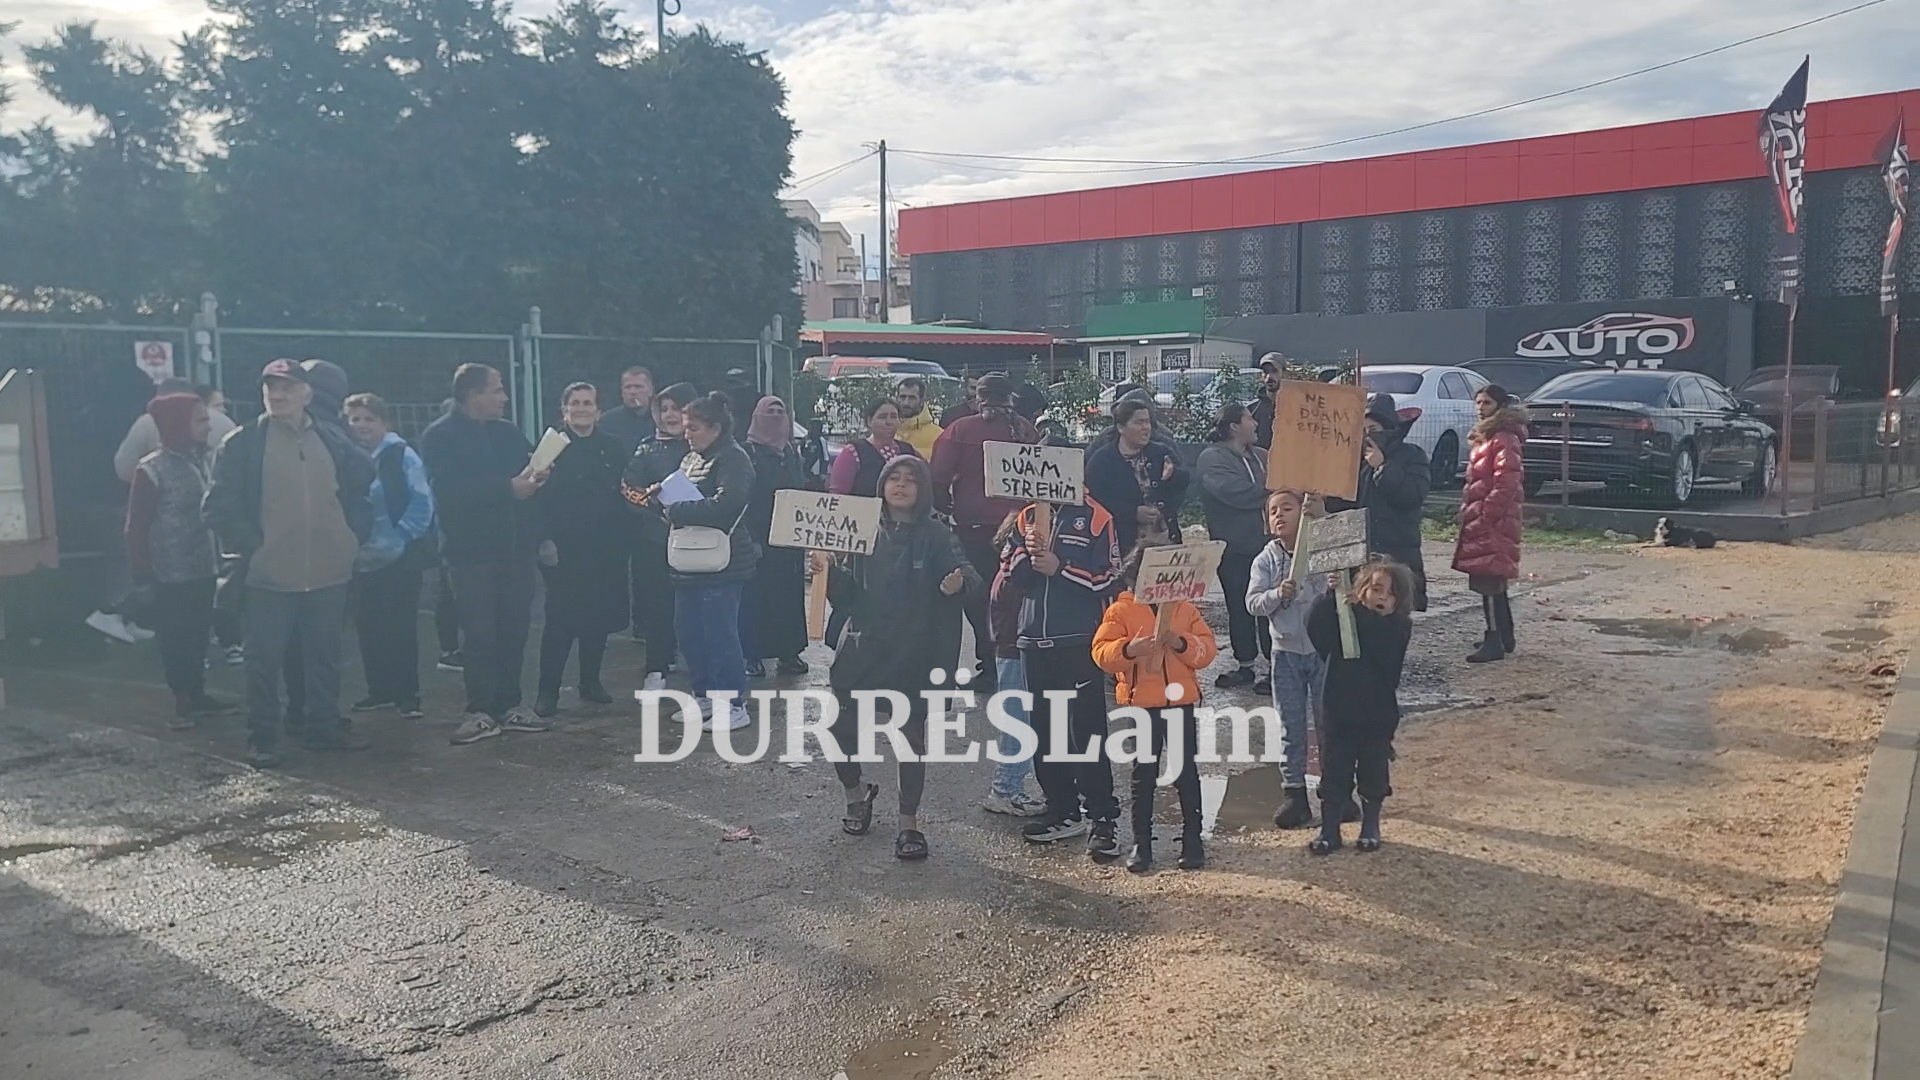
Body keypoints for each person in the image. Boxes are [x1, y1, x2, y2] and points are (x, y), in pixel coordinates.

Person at [204, 359, 374, 767]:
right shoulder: (242, 443)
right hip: (268, 577)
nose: (277, 395)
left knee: (326, 657)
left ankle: (324, 729)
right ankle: (262, 739)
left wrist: (350, 540)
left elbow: (361, 485)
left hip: (329, 572)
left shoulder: (332, 437)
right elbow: (218, 507)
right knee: (262, 661)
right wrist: (254, 548)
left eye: (287, 387)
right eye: (271, 388)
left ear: (307, 393)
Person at [826, 455, 978, 860]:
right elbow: (842, 596)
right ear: (881, 484)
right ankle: (856, 794)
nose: (901, 484)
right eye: (894, 477)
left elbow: (971, 578)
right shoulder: (859, 529)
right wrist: (826, 571)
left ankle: (908, 823)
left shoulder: (936, 533)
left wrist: (956, 584)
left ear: (923, 489)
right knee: (840, 729)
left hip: (915, 652)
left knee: (910, 740)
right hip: (863, 647)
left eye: (911, 479)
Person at [418, 363, 552, 745]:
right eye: (497, 390)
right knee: (478, 634)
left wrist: (538, 475)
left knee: (514, 630)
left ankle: (510, 705)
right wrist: (508, 488)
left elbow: (526, 476)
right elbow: (449, 493)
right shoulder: (439, 437)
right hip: (470, 554)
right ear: (473, 395)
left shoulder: (507, 432)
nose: (504, 397)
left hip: (515, 551)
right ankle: (480, 710)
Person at [1001, 495, 1122, 854]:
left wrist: (1061, 566)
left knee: (1086, 732)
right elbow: (1013, 574)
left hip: (1079, 640)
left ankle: (1103, 819)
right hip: (1034, 642)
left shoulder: (1098, 516)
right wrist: (1028, 549)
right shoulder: (1025, 516)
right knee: (1046, 731)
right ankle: (1063, 809)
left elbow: (1109, 578)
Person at [1093, 537, 1219, 872]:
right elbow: (1102, 653)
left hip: (1181, 703)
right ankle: (1141, 843)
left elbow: (1207, 650)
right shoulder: (1120, 610)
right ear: (1136, 576)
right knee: (1142, 775)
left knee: (1185, 771)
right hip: (1142, 706)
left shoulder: (1185, 609)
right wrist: (1130, 650)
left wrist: (1180, 643)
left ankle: (1193, 839)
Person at [126, 392, 232, 729]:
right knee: (176, 634)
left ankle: (198, 691)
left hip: (203, 565)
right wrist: (141, 574)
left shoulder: (206, 460)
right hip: (169, 571)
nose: (208, 425)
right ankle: (183, 693)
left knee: (199, 631)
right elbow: (136, 526)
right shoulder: (152, 469)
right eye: (200, 419)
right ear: (178, 424)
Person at [930, 373, 1040, 685]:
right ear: (1010, 398)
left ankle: (990, 667)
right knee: (1017, 593)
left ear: (979, 398)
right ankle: (1018, 661)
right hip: (1022, 526)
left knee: (981, 598)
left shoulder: (960, 429)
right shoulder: (1025, 430)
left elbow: (937, 474)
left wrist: (946, 505)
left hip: (974, 527)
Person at [660, 392, 759, 732]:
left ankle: (732, 702)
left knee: (720, 633)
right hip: (688, 559)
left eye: (694, 428)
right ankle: (703, 695)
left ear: (715, 427)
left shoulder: (734, 458)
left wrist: (676, 510)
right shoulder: (690, 459)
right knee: (689, 631)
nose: (687, 434)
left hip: (724, 561)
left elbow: (727, 505)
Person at [532, 383, 629, 716]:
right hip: (562, 549)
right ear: (564, 410)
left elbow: (624, 493)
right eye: (575, 403)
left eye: (589, 402)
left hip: (604, 549)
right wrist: (544, 540)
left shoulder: (613, 448)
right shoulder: (549, 447)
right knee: (559, 621)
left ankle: (591, 682)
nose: (583, 408)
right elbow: (535, 498)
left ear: (599, 410)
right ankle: (548, 692)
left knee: (596, 620)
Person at [1306, 558, 1415, 855]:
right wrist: (1331, 598)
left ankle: (1371, 824)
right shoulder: (1344, 619)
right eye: (1376, 589)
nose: (1381, 597)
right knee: (1334, 771)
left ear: (1399, 602)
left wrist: (1356, 610)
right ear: (1362, 589)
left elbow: (1381, 642)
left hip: (1377, 715)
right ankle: (1329, 828)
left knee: (1373, 771)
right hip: (1337, 711)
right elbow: (1316, 630)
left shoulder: (1398, 628)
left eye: (1390, 594)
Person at [344, 393, 435, 720]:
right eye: (355, 419)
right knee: (368, 624)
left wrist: (401, 536)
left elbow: (422, 501)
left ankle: (407, 694)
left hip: (400, 555)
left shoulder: (401, 455)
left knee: (401, 626)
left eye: (369, 419)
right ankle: (378, 689)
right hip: (361, 557)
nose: (362, 426)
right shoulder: (347, 456)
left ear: (385, 423)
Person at [1245, 490, 1331, 830]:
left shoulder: (1322, 546)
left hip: (1323, 649)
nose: (1280, 515)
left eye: (1288, 508)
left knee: (1329, 722)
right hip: (1285, 653)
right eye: (1273, 511)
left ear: (1304, 511)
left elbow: (1349, 574)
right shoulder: (1265, 560)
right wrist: (1275, 594)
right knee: (1291, 726)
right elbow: (1251, 602)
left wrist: (1322, 519)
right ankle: (1295, 793)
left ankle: (1334, 787)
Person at [621, 381, 698, 690]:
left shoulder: (702, 447)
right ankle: (657, 666)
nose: (669, 416)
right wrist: (656, 509)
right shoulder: (646, 446)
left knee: (695, 605)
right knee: (657, 604)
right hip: (653, 540)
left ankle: (698, 667)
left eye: (676, 408)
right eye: (663, 409)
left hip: (696, 539)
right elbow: (629, 487)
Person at [1325, 393, 1431, 611]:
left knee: (1393, 612)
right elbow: (1341, 506)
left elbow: (1412, 495)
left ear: (1389, 429)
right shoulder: (1353, 461)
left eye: (1373, 429)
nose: (1367, 436)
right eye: (1363, 430)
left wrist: (1382, 468)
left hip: (1397, 552)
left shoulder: (1412, 455)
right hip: (1360, 554)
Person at [1197, 402, 1273, 691]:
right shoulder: (1212, 459)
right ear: (1233, 427)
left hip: (1267, 545)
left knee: (1270, 605)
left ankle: (1274, 665)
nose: (1255, 424)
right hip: (1234, 548)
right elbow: (1233, 493)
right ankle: (1245, 665)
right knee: (1240, 608)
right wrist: (1272, 490)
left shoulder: (1261, 456)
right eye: (1249, 419)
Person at [1454, 385, 1528, 664]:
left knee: (1489, 581)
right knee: (1493, 579)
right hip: (1490, 517)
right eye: (1478, 402)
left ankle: (1494, 639)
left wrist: (1486, 515)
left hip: (1493, 521)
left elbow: (1506, 480)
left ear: (1499, 405)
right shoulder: (1491, 436)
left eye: (1486, 402)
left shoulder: (1503, 437)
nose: (1480, 407)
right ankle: (1503, 635)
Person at [739, 395, 809, 678]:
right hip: (757, 540)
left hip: (788, 542)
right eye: (770, 411)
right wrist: (751, 537)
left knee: (789, 598)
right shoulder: (747, 452)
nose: (776, 416)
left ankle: (789, 653)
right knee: (755, 599)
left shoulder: (791, 453)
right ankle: (751, 655)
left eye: (781, 411)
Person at [981, 511, 1046, 817]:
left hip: (1010, 650)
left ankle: (1011, 787)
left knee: (1022, 723)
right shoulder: (1014, 577)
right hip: (1014, 651)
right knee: (1018, 725)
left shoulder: (1004, 574)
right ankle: (1004, 789)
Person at [1086, 398, 1188, 556]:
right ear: (1121, 427)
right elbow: (1093, 501)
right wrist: (1131, 512)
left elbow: (1183, 483)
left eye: (1147, 422)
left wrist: (1173, 475)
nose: (1145, 428)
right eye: (1139, 423)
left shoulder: (1160, 452)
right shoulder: (1102, 461)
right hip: (1122, 548)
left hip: (1164, 542)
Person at [114, 376, 238, 484]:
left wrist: (152, 483)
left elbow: (123, 467)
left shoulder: (146, 423)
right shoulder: (224, 421)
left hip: (163, 505)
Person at [431, 398, 464, 673]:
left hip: (447, 533)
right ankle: (450, 649)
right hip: (451, 535)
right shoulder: (441, 444)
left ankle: (450, 648)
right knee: (449, 595)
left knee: (448, 595)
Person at [597, 366, 657, 456]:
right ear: (622, 392)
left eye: (638, 386)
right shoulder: (607, 421)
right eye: (628, 387)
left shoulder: (661, 419)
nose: (632, 392)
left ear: (650, 390)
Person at [893, 377, 942, 459]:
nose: (906, 403)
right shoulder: (885, 430)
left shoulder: (938, 436)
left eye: (912, 398)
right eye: (902, 397)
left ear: (922, 400)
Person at [1251, 353, 1285, 449]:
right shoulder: (1252, 410)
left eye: (1274, 371)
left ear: (1284, 373)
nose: (1269, 377)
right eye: (1265, 372)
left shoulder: (1295, 408)